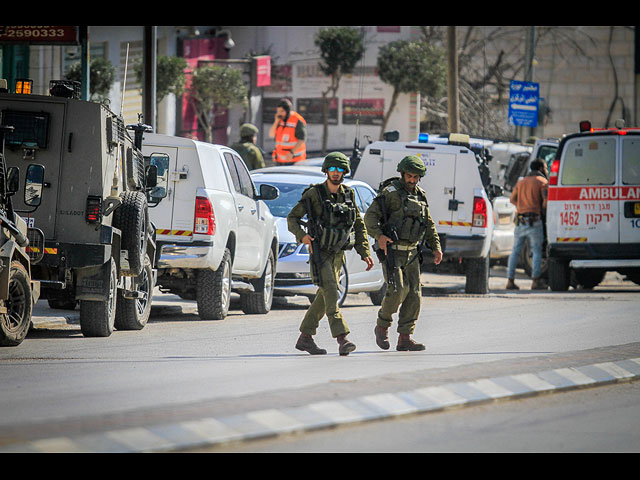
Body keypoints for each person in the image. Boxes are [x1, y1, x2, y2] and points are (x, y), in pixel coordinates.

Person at [287, 152, 374, 356]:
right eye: (332, 169)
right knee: (332, 294)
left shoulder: (348, 194)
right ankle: (342, 339)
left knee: (325, 296)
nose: (336, 173)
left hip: (338, 255)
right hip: (320, 253)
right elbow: (292, 218)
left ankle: (305, 338)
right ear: (326, 170)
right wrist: (303, 237)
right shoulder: (314, 194)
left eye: (340, 169)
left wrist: (364, 251)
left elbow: (358, 225)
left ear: (345, 172)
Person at [364, 156, 443, 352]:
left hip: (412, 253)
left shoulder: (421, 195)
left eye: (416, 177)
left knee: (414, 295)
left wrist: (436, 247)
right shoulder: (390, 194)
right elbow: (370, 217)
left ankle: (405, 337)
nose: (412, 180)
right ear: (402, 174)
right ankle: (382, 326)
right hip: (393, 252)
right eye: (409, 176)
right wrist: (379, 236)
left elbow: (429, 224)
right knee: (397, 290)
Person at [505, 158, 549, 290]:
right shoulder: (543, 182)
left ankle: (510, 281)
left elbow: (512, 199)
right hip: (535, 221)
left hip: (520, 221)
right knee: (536, 251)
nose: (547, 170)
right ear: (541, 169)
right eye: (546, 168)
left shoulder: (521, 182)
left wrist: (522, 206)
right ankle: (535, 281)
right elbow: (546, 202)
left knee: (515, 251)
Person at [269, 98, 307, 165]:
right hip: (279, 161)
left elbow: (302, 139)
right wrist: (276, 121)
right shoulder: (279, 119)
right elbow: (271, 135)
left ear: (288, 111)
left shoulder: (297, 120)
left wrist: (291, 152)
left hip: (295, 161)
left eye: (282, 111)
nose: (279, 113)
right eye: (278, 111)